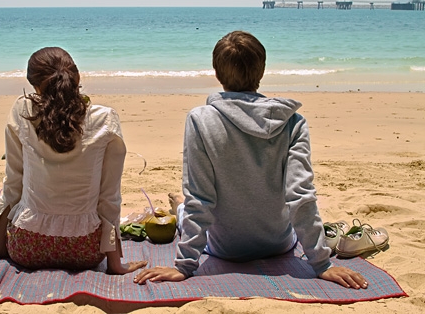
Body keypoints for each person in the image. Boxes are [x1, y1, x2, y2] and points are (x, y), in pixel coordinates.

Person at [134, 31, 368, 289]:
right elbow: (300, 196)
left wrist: (185, 266)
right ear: (262, 69)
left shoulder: (200, 120)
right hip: (279, 244)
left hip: (224, 248)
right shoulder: (292, 122)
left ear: (216, 73)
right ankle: (177, 205)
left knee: (185, 204)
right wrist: (322, 264)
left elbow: (200, 198)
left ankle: (176, 206)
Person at [0, 46, 147, 275]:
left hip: (26, 247)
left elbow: (13, 182)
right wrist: (115, 264)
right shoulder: (104, 119)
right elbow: (109, 196)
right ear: (77, 78)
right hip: (85, 250)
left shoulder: (22, 111)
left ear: (35, 86)